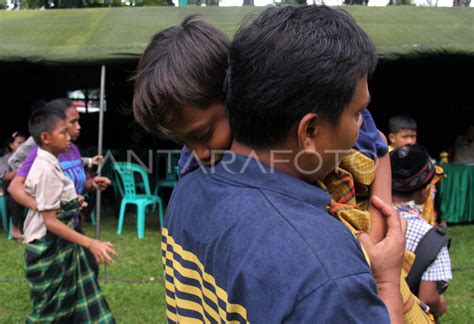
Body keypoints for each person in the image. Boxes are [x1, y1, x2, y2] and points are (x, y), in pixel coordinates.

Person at [134, 6, 406, 322]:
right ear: (310, 130)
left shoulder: (186, 193)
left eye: (205, 134)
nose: (200, 154)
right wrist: (386, 281)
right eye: (355, 113)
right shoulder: (324, 273)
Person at [23, 105, 115, 323]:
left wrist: (74, 201)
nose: (69, 136)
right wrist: (90, 243)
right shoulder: (45, 168)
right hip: (48, 246)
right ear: (45, 137)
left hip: (60, 244)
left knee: (66, 309)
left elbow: (51, 201)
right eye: (63, 132)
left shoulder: (53, 162)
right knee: (50, 314)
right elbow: (50, 221)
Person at [391, 144, 452, 318]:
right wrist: (442, 305)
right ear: (425, 190)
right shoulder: (432, 239)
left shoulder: (364, 216)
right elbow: (429, 297)